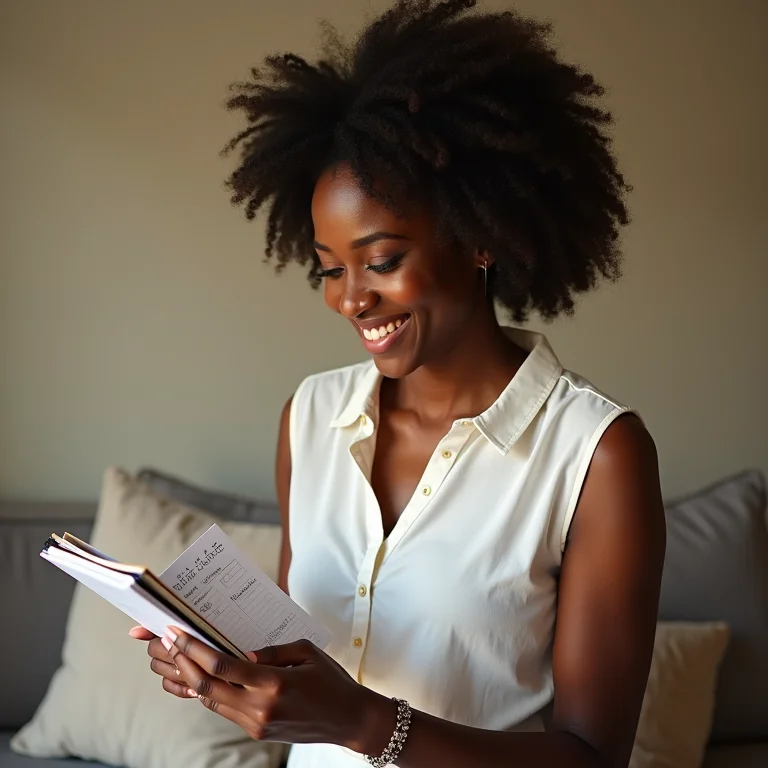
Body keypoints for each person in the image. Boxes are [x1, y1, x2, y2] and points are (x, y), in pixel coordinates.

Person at [130, 1, 667, 766]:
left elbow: (591, 756)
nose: (351, 299)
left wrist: (364, 724)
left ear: (479, 236)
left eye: (381, 261)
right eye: (330, 268)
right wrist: (219, 667)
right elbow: (295, 661)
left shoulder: (596, 454)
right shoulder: (309, 417)